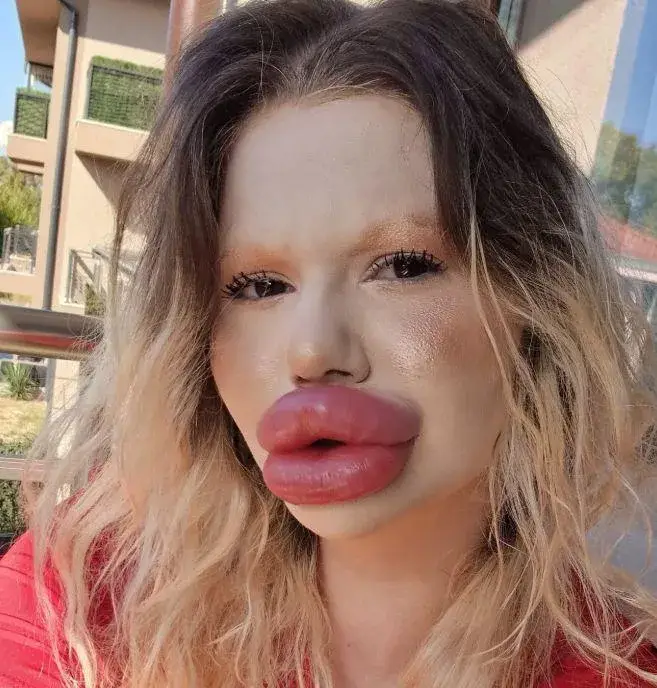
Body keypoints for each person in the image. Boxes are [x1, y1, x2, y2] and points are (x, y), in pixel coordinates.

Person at [2, 0, 657, 686]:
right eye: (258, 285)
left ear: (536, 303)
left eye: (404, 266)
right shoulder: (78, 608)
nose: (312, 351)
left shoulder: (616, 670)